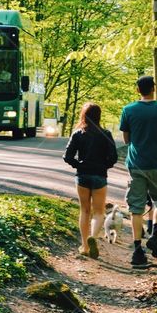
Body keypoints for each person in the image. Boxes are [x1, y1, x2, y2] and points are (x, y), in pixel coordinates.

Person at [119, 75, 157, 267]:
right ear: (154, 88)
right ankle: (155, 235)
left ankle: (137, 250)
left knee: (136, 208)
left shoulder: (128, 110)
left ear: (138, 90)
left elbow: (126, 140)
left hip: (136, 165)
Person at [63, 102, 118, 259]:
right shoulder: (106, 134)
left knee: (84, 211)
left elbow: (67, 156)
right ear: (99, 116)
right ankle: (93, 236)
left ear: (84, 115)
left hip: (82, 176)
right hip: (100, 176)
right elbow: (113, 157)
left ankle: (85, 246)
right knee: (99, 211)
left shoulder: (78, 133)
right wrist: (104, 166)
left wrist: (78, 165)